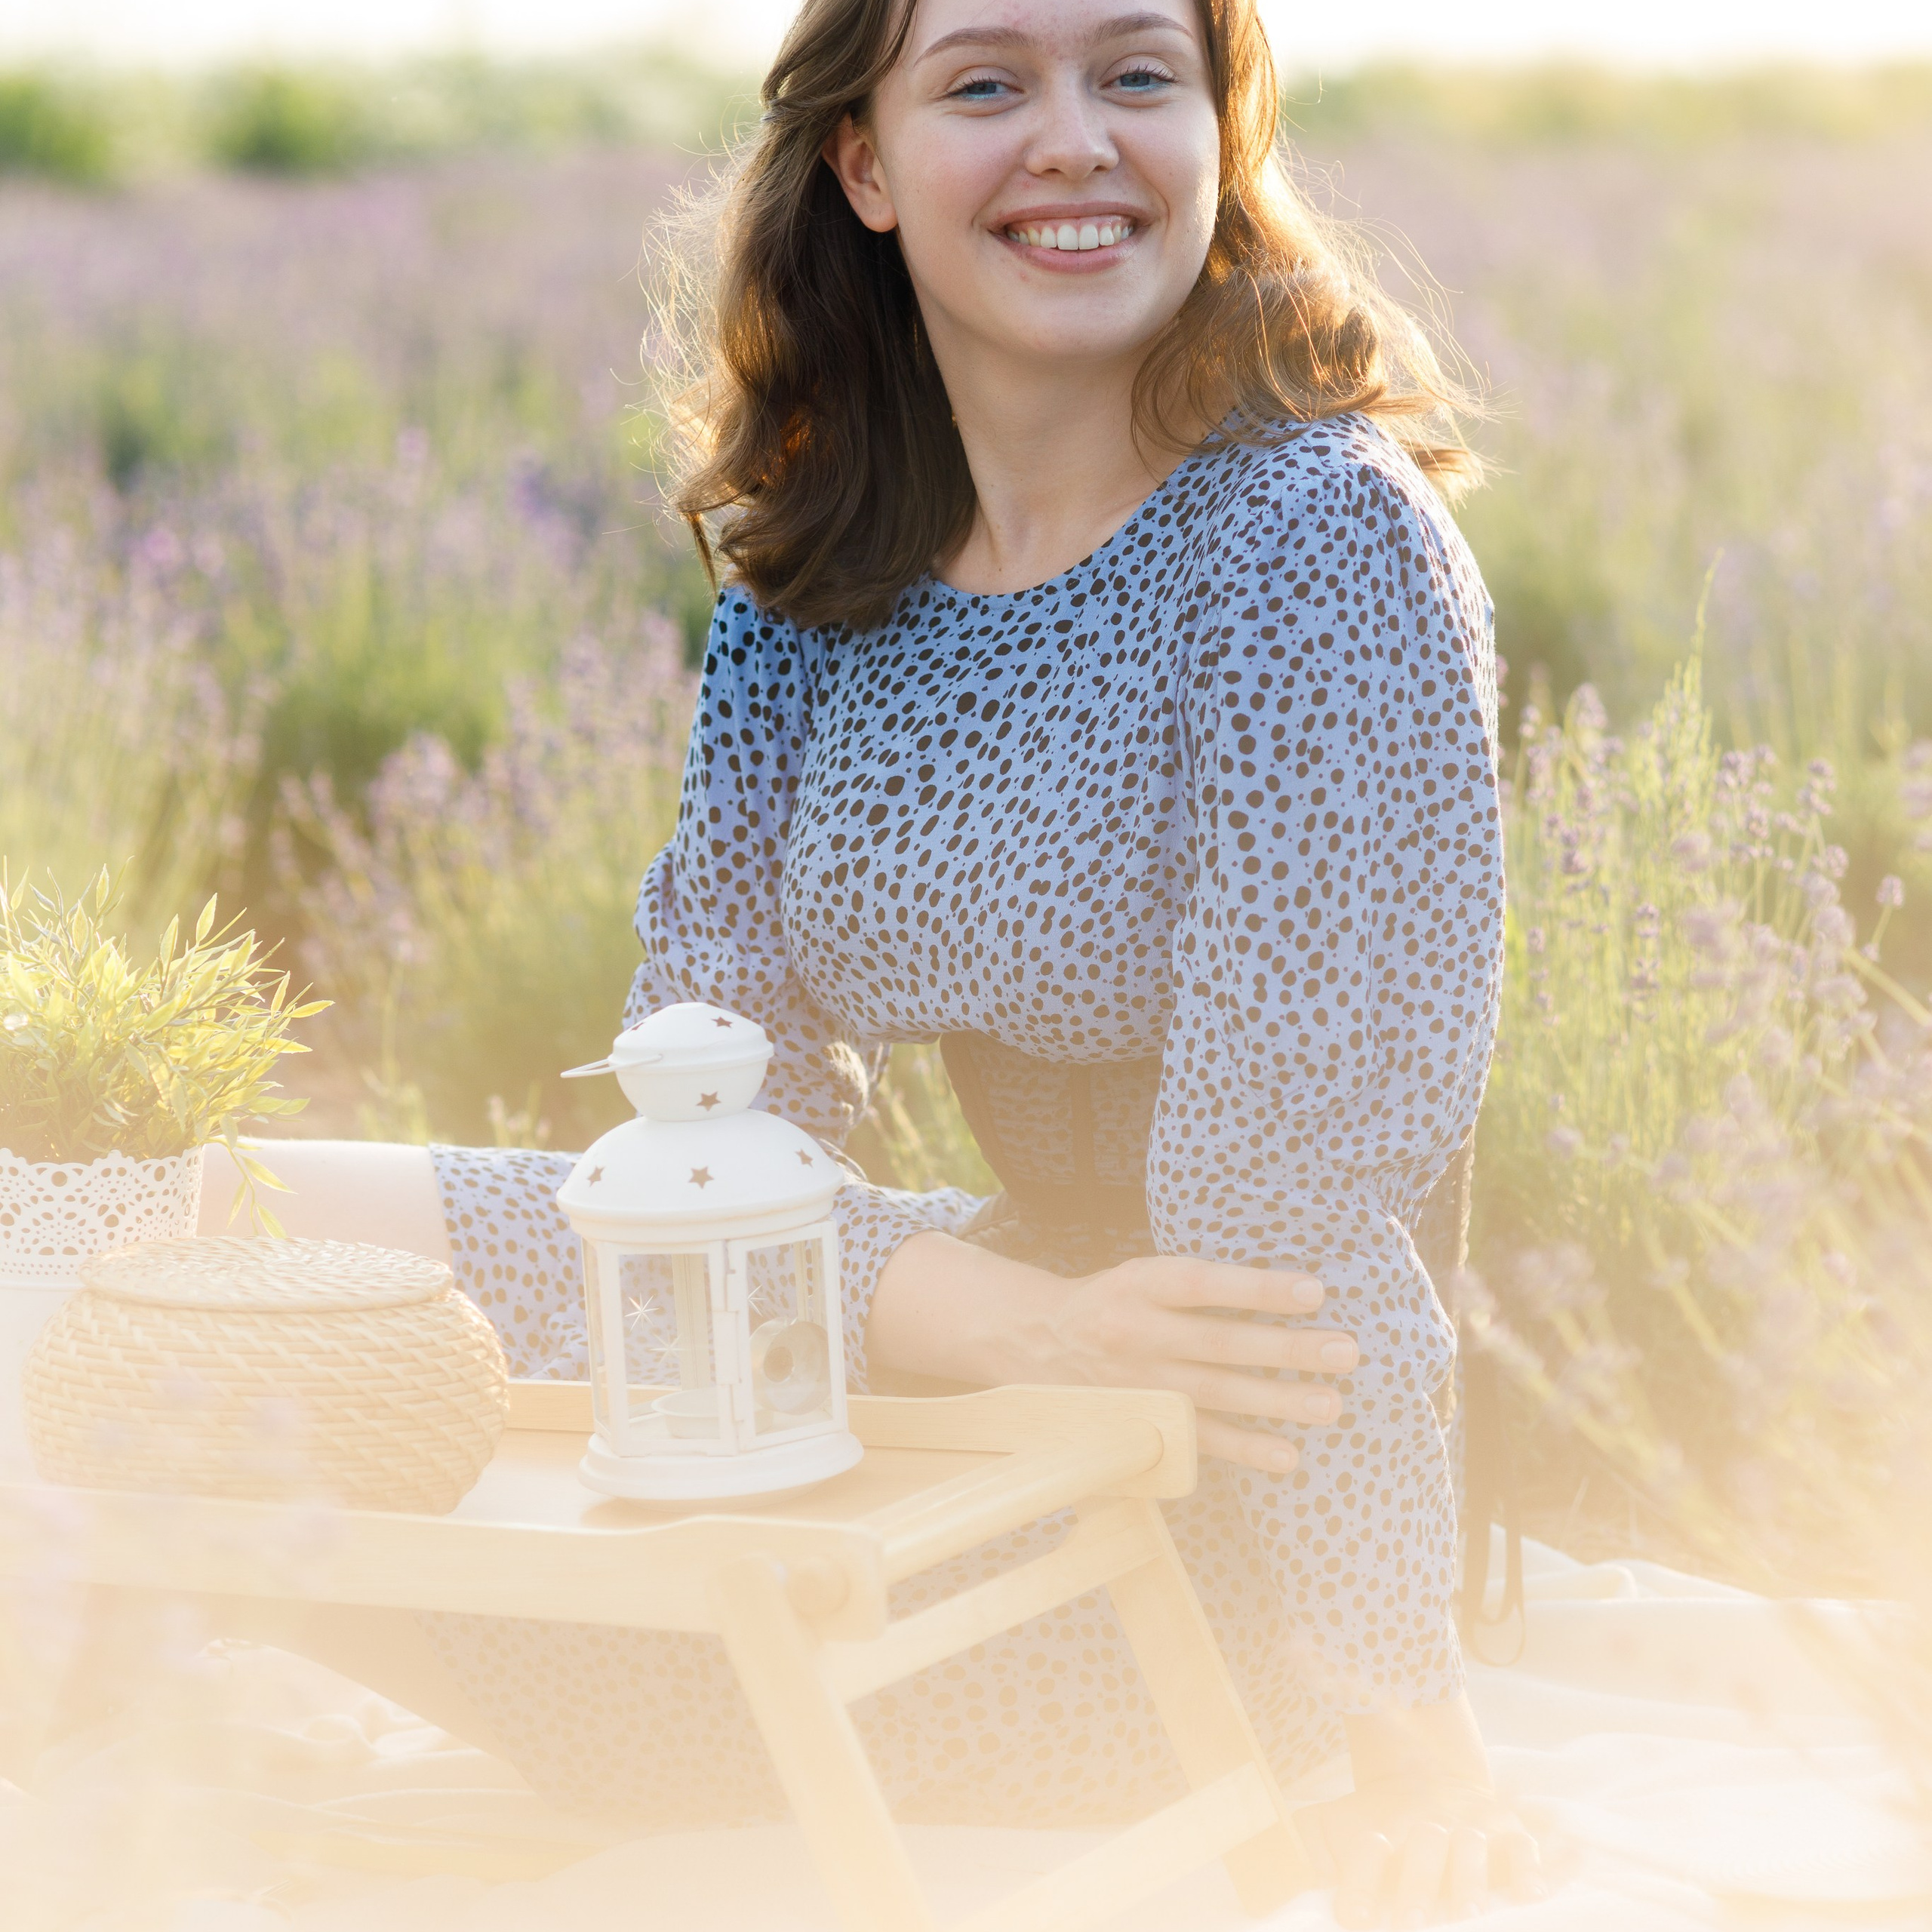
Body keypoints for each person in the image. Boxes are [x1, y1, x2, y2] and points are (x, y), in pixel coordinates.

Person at [189, 0, 1541, 1921]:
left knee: (333, 1489)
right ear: (866, 164)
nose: (1073, 137)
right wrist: (927, 1296)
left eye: (1134, 75)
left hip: (1182, 1525)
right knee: (169, 1228)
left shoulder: (1317, 549)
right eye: (987, 82)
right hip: (897, 1356)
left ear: (1216, 132)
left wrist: (1404, 1726)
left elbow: (1288, 1250)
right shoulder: (823, 569)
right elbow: (702, 1069)